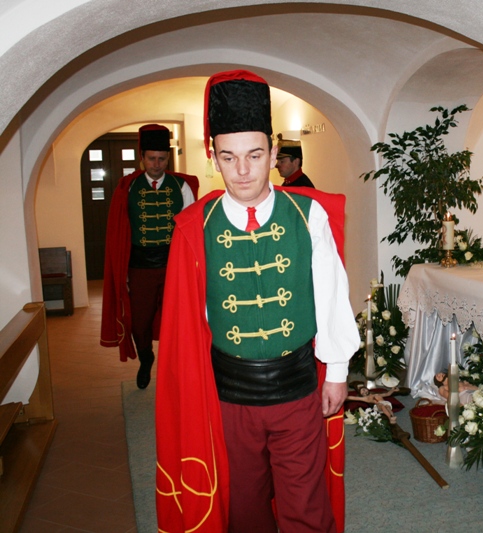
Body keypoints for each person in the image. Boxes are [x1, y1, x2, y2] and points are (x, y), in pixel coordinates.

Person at [154, 70, 359, 533]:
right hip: (230, 399)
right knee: (243, 511)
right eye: (229, 157)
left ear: (271, 152)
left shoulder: (308, 215)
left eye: (254, 155)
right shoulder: (194, 227)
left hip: (297, 392)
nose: (242, 170)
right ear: (213, 156)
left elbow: (331, 293)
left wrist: (337, 371)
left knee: (306, 507)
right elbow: (186, 327)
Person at [100, 124, 199, 389]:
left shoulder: (181, 186)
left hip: (173, 264)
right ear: (142, 157)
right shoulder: (128, 187)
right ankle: (146, 358)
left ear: (168, 158)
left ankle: (173, 366)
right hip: (140, 266)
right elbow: (119, 230)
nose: (157, 164)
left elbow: (192, 228)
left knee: (176, 319)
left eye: (162, 159)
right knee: (139, 321)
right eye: (152, 158)